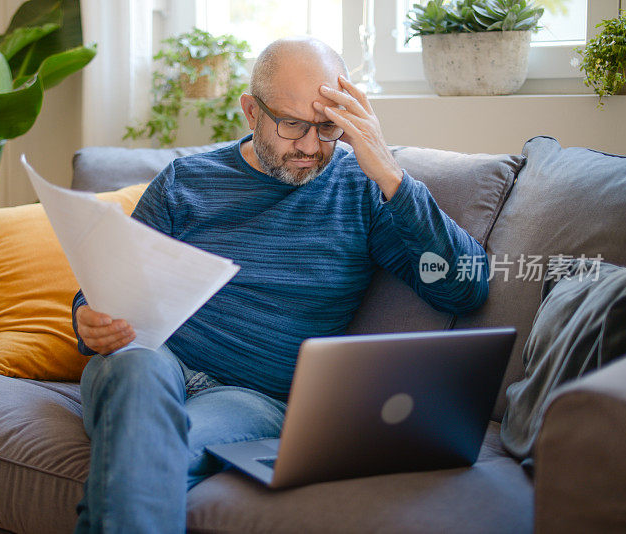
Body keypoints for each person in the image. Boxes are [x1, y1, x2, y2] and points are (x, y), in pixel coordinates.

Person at [71, 37, 489, 533]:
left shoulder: (364, 193)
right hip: (147, 358)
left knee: (154, 446)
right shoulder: (185, 180)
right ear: (251, 110)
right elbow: (104, 290)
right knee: (135, 377)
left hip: (250, 399)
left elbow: (466, 286)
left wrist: (392, 176)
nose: (311, 147)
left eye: (328, 127)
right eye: (292, 124)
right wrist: (88, 318)